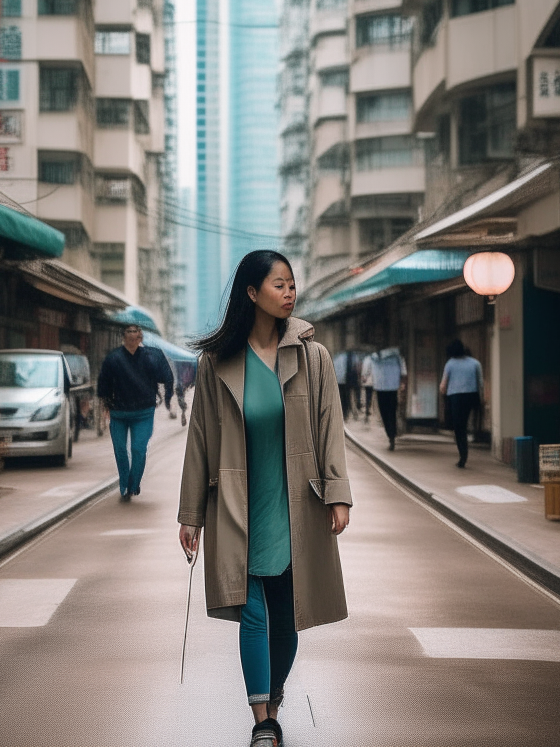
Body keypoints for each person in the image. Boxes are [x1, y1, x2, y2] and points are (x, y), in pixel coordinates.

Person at [177, 250, 352, 747]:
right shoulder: (217, 363)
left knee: (287, 610)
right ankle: (262, 721)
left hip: (296, 500)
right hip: (235, 504)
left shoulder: (311, 356)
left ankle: (273, 697)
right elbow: (200, 441)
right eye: (279, 284)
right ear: (252, 294)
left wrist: (337, 495)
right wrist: (191, 514)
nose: (290, 292)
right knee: (251, 609)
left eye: (292, 284)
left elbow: (328, 427)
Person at [96, 323, 175, 501]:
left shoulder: (153, 355)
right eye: (129, 331)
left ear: (141, 336)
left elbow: (167, 377)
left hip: (144, 412)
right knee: (120, 450)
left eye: (136, 331)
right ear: (123, 336)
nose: (133, 335)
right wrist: (106, 404)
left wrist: (169, 398)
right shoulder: (113, 358)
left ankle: (133, 484)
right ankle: (124, 484)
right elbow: (103, 385)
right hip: (118, 413)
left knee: (138, 449)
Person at [440, 339, 483, 468]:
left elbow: (443, 385)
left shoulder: (450, 364)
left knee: (459, 428)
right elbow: (480, 383)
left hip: (456, 397)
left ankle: (463, 455)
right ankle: (470, 438)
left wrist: (443, 393)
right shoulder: (475, 363)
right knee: (464, 423)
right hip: (472, 396)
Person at [369, 346, 407, 449]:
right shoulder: (397, 356)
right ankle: (392, 435)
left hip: (380, 387)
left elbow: (369, 371)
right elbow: (403, 370)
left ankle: (390, 435)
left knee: (384, 413)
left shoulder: (374, 356)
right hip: (393, 387)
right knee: (392, 412)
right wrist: (402, 381)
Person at [332, 350, 352, 420]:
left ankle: (343, 414)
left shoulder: (335, 357)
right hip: (343, 381)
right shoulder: (344, 356)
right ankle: (345, 413)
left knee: (341, 398)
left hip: (338, 381)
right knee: (345, 398)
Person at [360, 353, 375, 423]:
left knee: (368, 396)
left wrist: (363, 376)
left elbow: (365, 370)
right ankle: (369, 410)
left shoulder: (367, 360)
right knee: (371, 396)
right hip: (374, 381)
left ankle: (367, 410)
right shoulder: (375, 359)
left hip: (368, 381)